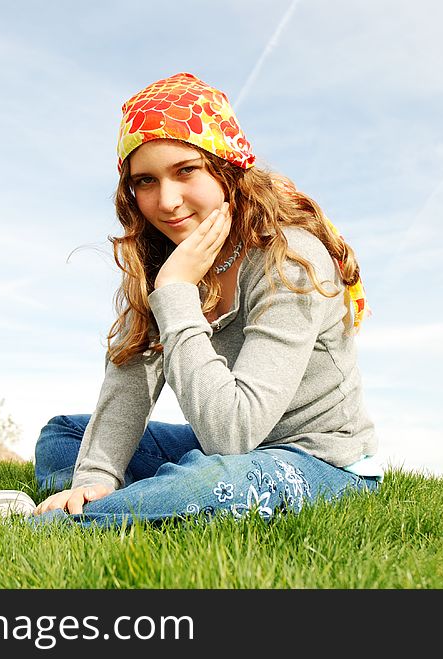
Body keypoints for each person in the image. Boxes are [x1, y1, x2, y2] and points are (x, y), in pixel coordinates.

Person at [31, 72, 381, 528]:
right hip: (227, 445)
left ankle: (60, 521)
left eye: (186, 170)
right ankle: (115, 504)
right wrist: (94, 477)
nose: (167, 201)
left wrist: (175, 293)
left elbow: (231, 434)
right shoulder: (164, 261)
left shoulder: (290, 260)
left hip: (318, 459)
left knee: (210, 480)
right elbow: (128, 389)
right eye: (146, 182)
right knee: (64, 437)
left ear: (226, 167)